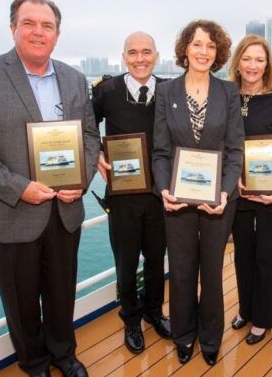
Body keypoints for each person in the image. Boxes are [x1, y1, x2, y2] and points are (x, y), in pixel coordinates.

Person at [0, 0, 100, 377]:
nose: (38, 32)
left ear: (58, 33)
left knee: (62, 290)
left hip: (65, 209)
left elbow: (89, 137)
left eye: (46, 25)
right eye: (29, 23)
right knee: (19, 300)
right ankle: (34, 363)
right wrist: (19, 187)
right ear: (13, 28)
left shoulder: (74, 77)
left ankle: (64, 354)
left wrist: (80, 181)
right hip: (11, 211)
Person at [151, 20, 244, 366]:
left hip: (220, 199)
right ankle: (184, 334)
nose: (203, 52)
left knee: (212, 270)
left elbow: (235, 150)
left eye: (210, 46)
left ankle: (210, 336)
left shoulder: (229, 92)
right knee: (181, 269)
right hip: (177, 198)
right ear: (185, 50)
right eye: (197, 44)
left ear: (217, 53)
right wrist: (163, 188)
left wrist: (224, 191)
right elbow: (161, 151)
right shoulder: (167, 93)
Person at [91, 32, 171, 354]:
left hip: (159, 195)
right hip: (122, 198)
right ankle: (132, 320)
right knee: (125, 263)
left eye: (146, 52)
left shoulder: (169, 91)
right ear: (124, 57)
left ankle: (154, 311)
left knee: (155, 259)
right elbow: (84, 125)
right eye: (133, 52)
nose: (140, 58)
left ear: (156, 55)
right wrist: (95, 150)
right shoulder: (106, 91)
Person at [227, 35, 272, 345]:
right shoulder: (227, 95)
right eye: (247, 58)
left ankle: (264, 318)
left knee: (265, 255)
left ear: (267, 65)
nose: (252, 65)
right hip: (237, 192)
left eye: (259, 60)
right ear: (237, 62)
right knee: (242, 254)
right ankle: (245, 308)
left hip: (269, 193)